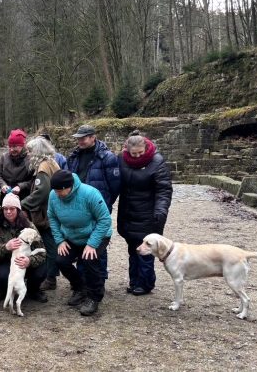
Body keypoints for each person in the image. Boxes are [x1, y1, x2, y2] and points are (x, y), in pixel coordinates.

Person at [48, 170, 112, 316]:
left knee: (89, 259)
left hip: (96, 235)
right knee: (61, 260)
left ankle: (94, 297)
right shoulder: (53, 195)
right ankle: (80, 287)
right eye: (55, 191)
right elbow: (52, 218)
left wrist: (92, 244)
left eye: (59, 191)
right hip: (71, 236)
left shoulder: (90, 194)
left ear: (68, 187)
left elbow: (105, 220)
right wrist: (60, 240)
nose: (57, 194)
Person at [117, 132, 172, 296]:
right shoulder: (121, 159)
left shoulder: (157, 161)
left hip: (148, 214)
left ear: (146, 147)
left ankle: (146, 283)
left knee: (146, 252)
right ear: (127, 150)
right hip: (128, 211)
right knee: (133, 250)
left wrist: (161, 210)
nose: (137, 156)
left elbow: (164, 190)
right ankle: (134, 281)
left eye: (140, 153)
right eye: (134, 153)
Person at [0, 193, 47, 304]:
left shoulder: (29, 226)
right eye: (5, 209)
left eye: (12, 209)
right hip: (6, 261)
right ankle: (3, 290)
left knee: (41, 271)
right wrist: (5, 247)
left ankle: (33, 290)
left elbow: (42, 251)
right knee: (3, 275)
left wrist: (29, 261)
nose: (8, 212)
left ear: (18, 210)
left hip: (26, 260)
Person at [20, 136, 61, 291]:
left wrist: (23, 204)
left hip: (46, 214)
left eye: (30, 151)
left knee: (49, 246)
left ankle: (50, 279)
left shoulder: (43, 167)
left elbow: (41, 192)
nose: (28, 154)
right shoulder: (52, 163)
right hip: (52, 210)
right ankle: (51, 276)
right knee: (51, 245)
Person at [66, 124, 120, 211]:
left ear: (93, 137)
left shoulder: (107, 157)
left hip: (98, 206)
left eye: (83, 139)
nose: (80, 142)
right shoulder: (74, 156)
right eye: (78, 139)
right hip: (77, 203)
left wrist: (104, 202)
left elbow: (115, 186)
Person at [0, 129, 34, 204]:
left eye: (15, 146)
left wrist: (20, 186)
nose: (12, 149)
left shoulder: (30, 159)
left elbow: (33, 180)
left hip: (24, 200)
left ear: (23, 145)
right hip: (6, 199)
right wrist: (3, 185)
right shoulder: (4, 157)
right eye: (10, 146)